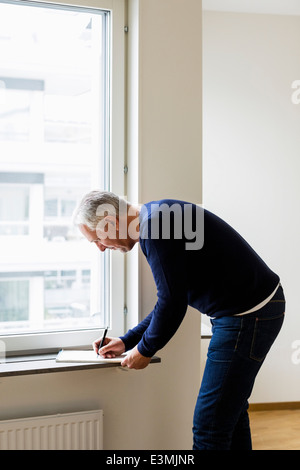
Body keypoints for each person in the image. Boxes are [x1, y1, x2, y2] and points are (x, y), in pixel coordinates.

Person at [73, 190, 285, 450]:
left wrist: (145, 349)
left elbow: (172, 303)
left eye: (97, 239)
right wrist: (128, 341)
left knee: (209, 426)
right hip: (252, 312)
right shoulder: (157, 217)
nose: (101, 248)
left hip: (249, 317)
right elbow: (172, 298)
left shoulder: (155, 229)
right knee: (230, 414)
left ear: (112, 223)